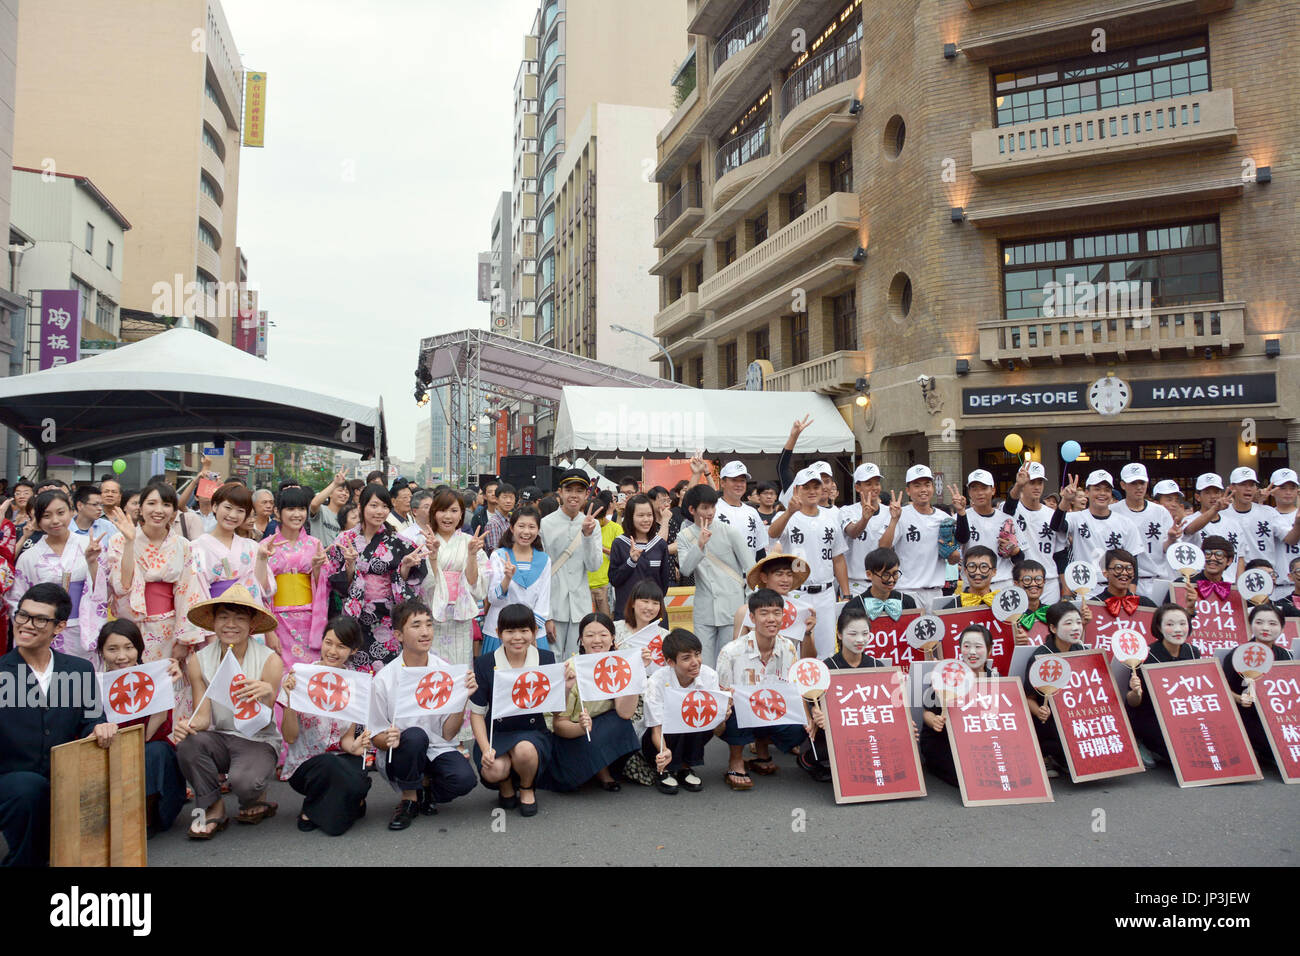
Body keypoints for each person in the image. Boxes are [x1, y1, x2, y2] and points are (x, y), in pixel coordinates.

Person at [0, 584, 116, 865]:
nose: (27, 625)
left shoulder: (78, 669)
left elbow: (93, 720)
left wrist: (100, 728)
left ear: (59, 627)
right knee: (29, 789)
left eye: (40, 619)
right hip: (11, 781)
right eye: (23, 616)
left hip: (67, 775)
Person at [171, 584, 284, 838]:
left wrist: (267, 692)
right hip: (221, 736)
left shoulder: (270, 660)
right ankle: (212, 806)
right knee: (187, 743)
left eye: (239, 618)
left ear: (252, 624)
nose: (230, 624)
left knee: (244, 782)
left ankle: (255, 796)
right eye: (223, 617)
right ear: (213, 621)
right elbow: (203, 715)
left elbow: (266, 718)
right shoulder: (199, 660)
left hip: (258, 740)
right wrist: (188, 726)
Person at [369, 601, 478, 829]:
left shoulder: (445, 672)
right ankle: (408, 799)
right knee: (415, 736)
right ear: (399, 634)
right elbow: (376, 736)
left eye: (429, 625)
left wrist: (463, 697)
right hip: (400, 753)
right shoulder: (384, 679)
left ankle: (425, 791)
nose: (425, 631)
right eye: (416, 625)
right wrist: (388, 739)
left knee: (464, 780)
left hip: (436, 748)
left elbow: (448, 734)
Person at [279, 615, 372, 834]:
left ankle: (315, 809)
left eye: (341, 646)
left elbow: (346, 740)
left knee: (351, 768)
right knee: (335, 769)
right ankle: (344, 802)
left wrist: (356, 745)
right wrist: (291, 701)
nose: (332, 651)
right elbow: (290, 737)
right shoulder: (300, 677)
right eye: (328, 643)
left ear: (353, 651)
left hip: (339, 759)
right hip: (306, 765)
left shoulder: (353, 684)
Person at [324, 485, 429, 671]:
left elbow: (410, 578)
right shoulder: (345, 539)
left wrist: (404, 567)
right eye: (373, 505)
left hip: (387, 616)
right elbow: (335, 580)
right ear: (361, 507)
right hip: (355, 616)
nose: (379, 511)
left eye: (384, 506)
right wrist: (350, 566)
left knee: (387, 670)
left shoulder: (398, 541)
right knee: (356, 669)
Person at [97, 619, 186, 834]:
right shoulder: (94, 683)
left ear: (139, 649)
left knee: (156, 751)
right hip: (107, 751)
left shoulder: (153, 678)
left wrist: (162, 691)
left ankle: (144, 815)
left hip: (146, 750)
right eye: (112, 649)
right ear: (101, 652)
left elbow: (151, 735)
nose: (121, 656)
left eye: (129, 648)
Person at [469, 602, 557, 817]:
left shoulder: (546, 659)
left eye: (524, 630)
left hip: (533, 731)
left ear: (534, 632)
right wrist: (486, 747)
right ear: (499, 633)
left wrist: (567, 687)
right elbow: (477, 713)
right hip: (496, 732)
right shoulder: (484, 663)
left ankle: (527, 787)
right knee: (494, 769)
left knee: (524, 750)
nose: (517, 637)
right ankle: (506, 782)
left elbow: (555, 709)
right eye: (510, 631)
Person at [715, 589, 808, 790]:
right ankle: (736, 760)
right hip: (739, 712)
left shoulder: (788, 648)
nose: (771, 619)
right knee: (732, 707)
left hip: (771, 710)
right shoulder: (731, 652)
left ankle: (762, 752)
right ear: (752, 617)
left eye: (776, 613)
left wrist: (808, 717)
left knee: (800, 726)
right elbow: (721, 695)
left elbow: (793, 690)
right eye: (764, 613)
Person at [421, 490, 487, 743]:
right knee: (431, 676)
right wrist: (433, 556)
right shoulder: (423, 541)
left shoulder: (469, 542)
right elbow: (423, 584)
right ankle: (429, 734)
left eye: (454, 511)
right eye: (442, 510)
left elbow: (475, 586)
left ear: (462, 514)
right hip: (431, 619)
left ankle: (455, 737)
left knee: (458, 675)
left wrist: (471, 555)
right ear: (433, 513)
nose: (447, 516)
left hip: (459, 620)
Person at [8, 490, 104, 664]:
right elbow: (16, 599)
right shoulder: (29, 557)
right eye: (46, 515)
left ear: (72, 511)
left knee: (81, 679)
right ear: (37, 519)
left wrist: (92, 563)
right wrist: (30, 627)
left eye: (61, 513)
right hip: (42, 630)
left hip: (82, 628)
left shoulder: (89, 545)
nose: (55, 520)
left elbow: (103, 590)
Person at [547, 612, 640, 792]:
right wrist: (581, 728)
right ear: (581, 639)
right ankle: (590, 770)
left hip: (599, 728)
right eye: (590, 635)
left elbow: (625, 713)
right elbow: (558, 725)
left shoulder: (619, 665)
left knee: (620, 723)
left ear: (613, 638)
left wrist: (634, 674)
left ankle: (603, 770)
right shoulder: (570, 670)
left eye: (603, 635)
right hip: (571, 735)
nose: (597, 640)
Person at [802, 604, 894, 781]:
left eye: (865, 634)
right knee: (821, 753)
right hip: (834, 729)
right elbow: (811, 700)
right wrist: (816, 712)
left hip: (868, 726)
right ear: (839, 635)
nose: (860, 639)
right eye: (853, 634)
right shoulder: (826, 667)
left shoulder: (877, 666)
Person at [677, 484, 751, 667]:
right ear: (692, 510)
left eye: (713, 507)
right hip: (704, 608)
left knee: (731, 662)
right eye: (705, 507)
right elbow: (685, 570)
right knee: (704, 664)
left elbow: (751, 569)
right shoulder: (684, 536)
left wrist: (750, 603)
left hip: (733, 605)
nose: (710, 512)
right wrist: (699, 545)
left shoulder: (729, 531)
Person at [642, 628, 721, 795]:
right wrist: (664, 750)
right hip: (661, 735)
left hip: (690, 729)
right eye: (686, 658)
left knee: (702, 718)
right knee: (671, 722)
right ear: (671, 662)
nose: (695, 662)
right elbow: (656, 727)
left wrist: (723, 716)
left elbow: (715, 725)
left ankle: (685, 766)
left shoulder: (710, 676)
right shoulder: (656, 681)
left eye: (697, 654)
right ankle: (664, 769)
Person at [919, 624, 996, 786]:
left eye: (978, 647)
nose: (972, 652)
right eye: (966, 646)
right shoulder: (948, 674)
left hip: (977, 739)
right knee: (967, 776)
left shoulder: (995, 678)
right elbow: (927, 713)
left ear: (989, 650)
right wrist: (935, 721)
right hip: (943, 739)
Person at [265, 487, 330, 672]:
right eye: (290, 509)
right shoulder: (266, 546)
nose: (297, 514)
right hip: (277, 620)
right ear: (277, 512)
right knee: (280, 674)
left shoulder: (314, 544)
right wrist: (268, 630)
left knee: (308, 673)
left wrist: (317, 569)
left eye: (301, 509)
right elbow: (259, 592)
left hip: (309, 620)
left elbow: (323, 585)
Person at [1125, 603, 1199, 765]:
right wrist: (1136, 692)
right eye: (1170, 625)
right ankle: (1143, 743)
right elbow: (1132, 702)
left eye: (1182, 623)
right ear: (1159, 627)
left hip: (1183, 712)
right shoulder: (1145, 655)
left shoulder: (1193, 652)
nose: (1178, 629)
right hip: (1152, 716)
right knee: (1179, 755)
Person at [539, 470, 602, 659]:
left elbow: (593, 566)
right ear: (560, 492)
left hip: (580, 604)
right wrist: (546, 614)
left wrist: (588, 536)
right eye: (569, 490)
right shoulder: (545, 524)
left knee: (577, 660)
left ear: (586, 495)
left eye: (579, 491)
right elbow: (541, 573)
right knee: (552, 659)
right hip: (553, 604)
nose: (574, 495)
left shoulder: (592, 524)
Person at [1022, 601, 1087, 778]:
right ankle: (1049, 754)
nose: (1076, 628)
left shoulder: (1081, 650)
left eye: (1078, 622)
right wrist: (1039, 712)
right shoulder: (1040, 656)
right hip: (1051, 721)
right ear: (1052, 628)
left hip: (1077, 717)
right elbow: (1028, 698)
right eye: (1068, 623)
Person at [192, 483, 275, 616]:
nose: (233, 515)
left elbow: (262, 588)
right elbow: (196, 592)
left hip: (248, 617)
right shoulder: (197, 547)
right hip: (214, 618)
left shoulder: (252, 547)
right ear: (215, 506)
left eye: (240, 511)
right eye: (228, 507)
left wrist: (262, 558)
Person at [879, 464, 953, 611]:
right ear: (908, 490)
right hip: (907, 591)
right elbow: (883, 548)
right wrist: (894, 520)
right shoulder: (900, 514)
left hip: (936, 591)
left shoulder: (944, 518)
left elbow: (953, 559)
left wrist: (950, 549)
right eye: (917, 485)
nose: (923, 490)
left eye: (927, 484)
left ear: (933, 487)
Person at [1224, 603, 1291, 765]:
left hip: (1278, 715)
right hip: (1248, 716)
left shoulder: (1285, 655)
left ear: (1282, 628)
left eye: (1272, 623)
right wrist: (1240, 699)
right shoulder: (1237, 654)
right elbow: (1222, 688)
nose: (1265, 628)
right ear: (1251, 624)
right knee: (1277, 749)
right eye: (1259, 622)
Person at [1051, 470, 1145, 578]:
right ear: (1087, 492)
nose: (1102, 493)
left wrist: (1131, 592)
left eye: (1107, 490)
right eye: (1097, 489)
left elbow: (1133, 561)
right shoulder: (1076, 518)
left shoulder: (1125, 523)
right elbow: (1056, 526)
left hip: (1116, 587)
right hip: (1084, 587)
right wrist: (1066, 500)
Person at [483, 505, 551, 654]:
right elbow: (493, 599)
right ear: (512, 528)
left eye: (532, 527)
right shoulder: (499, 556)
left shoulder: (544, 559)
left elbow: (543, 601)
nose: (526, 532)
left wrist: (532, 632)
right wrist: (507, 579)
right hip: (501, 631)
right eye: (521, 526)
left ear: (538, 530)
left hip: (532, 632)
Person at [1110, 463, 1176, 603]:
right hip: (1126, 581)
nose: (1139, 487)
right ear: (1123, 485)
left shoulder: (1160, 511)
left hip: (1159, 579)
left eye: (1142, 482)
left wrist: (1171, 539)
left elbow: (1165, 549)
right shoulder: (1113, 511)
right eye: (1133, 483)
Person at [1004, 462, 1063, 604]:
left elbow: (1060, 554)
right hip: (1019, 580)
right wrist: (1017, 486)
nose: (1036, 487)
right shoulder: (1012, 509)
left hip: (1048, 581)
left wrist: (1065, 590)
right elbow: (1009, 507)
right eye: (1031, 482)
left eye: (1040, 482)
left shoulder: (1052, 514)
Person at [608, 493, 670, 621]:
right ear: (630, 517)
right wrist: (631, 562)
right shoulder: (619, 543)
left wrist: (651, 605)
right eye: (641, 515)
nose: (646, 520)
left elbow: (664, 584)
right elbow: (614, 579)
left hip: (654, 616)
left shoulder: (660, 544)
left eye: (649, 515)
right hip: (627, 614)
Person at [952, 470, 1017, 588]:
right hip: (973, 584)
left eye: (984, 488)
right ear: (969, 492)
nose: (979, 493)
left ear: (993, 490)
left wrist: (1013, 549)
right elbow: (961, 539)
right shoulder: (960, 517)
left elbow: (1020, 557)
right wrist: (961, 513)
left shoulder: (1006, 519)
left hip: (1002, 582)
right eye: (974, 489)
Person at [1179, 474, 1245, 581]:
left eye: (1217, 492)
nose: (1213, 496)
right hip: (1200, 584)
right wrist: (1215, 509)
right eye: (1207, 492)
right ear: (1198, 497)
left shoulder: (1234, 524)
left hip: (1229, 585)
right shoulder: (1190, 520)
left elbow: (1240, 558)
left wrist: (1240, 587)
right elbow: (1190, 529)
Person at [839, 464, 888, 597]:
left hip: (883, 583)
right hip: (856, 584)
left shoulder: (890, 512)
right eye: (868, 484)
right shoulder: (847, 511)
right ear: (857, 487)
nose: (874, 488)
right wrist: (864, 519)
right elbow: (853, 532)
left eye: (877, 483)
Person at [842, 547, 918, 626]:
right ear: (869, 574)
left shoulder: (907, 602)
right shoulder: (853, 607)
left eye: (895, 573)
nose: (891, 579)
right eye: (885, 575)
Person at [713, 461, 766, 565]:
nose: (739, 484)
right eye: (734, 480)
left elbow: (760, 550)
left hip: (748, 576)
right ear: (723, 483)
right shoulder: (713, 508)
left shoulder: (752, 512)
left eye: (742, 481)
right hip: (720, 576)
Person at [584, 491, 623, 618]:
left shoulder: (616, 528)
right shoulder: (583, 528)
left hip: (605, 584)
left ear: (605, 513)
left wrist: (600, 548)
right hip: (585, 584)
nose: (595, 523)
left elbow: (620, 554)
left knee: (606, 621)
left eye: (598, 519)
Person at [1178, 534, 1235, 619]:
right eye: (1208, 554)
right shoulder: (1183, 584)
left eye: (1219, 555)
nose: (1212, 558)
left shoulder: (1232, 592)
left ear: (1229, 561)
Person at [1090, 548, 1158, 613]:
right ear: (1105, 573)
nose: (1124, 573)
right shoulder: (1094, 604)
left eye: (1129, 569)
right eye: (1118, 568)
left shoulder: (1145, 604)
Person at [1268, 468, 1300, 603]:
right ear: (1272, 490)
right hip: (1275, 585)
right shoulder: (1265, 514)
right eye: (1282, 488)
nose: (1288, 492)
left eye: (1292, 488)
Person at [938, 545, 1003, 610]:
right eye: (972, 566)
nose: (977, 572)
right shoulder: (950, 609)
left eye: (984, 567)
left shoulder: (1003, 604)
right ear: (965, 571)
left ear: (994, 571)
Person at [1009, 559, 1052, 645]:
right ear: (1016, 583)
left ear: (1044, 582)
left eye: (1038, 579)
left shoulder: (1052, 612)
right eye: (1027, 580)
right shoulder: (1009, 618)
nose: (1033, 584)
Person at [309, 469, 351, 549]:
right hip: (319, 557)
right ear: (330, 494)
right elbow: (314, 504)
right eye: (340, 490)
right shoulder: (321, 510)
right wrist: (335, 483)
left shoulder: (348, 517)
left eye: (347, 492)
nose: (344, 494)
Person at [484, 482, 516, 552]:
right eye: (504, 497)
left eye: (511, 498)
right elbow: (495, 552)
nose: (508, 501)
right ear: (496, 499)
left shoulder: (512, 519)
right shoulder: (493, 524)